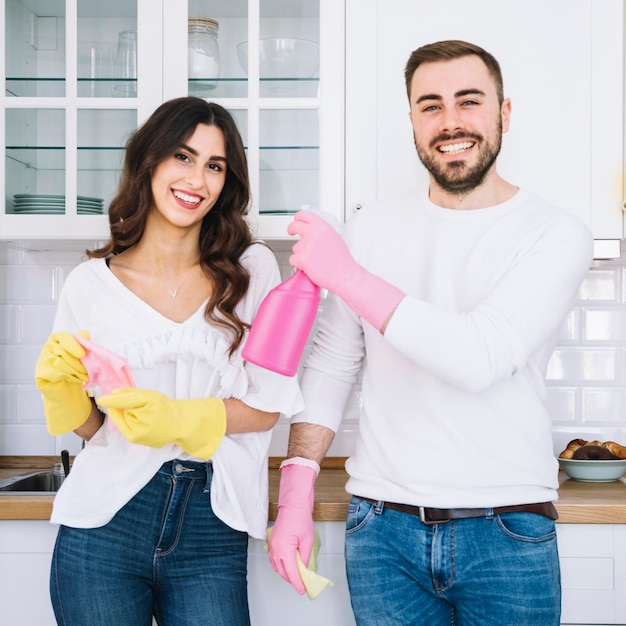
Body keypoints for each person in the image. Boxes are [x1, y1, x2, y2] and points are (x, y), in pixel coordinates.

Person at [268, 40, 594, 625]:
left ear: (504, 113)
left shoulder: (554, 233)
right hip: (382, 533)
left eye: (469, 101)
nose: (450, 122)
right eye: (430, 105)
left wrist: (346, 274)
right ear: (413, 121)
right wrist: (296, 484)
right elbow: (333, 363)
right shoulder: (370, 230)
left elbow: (479, 354)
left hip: (508, 531)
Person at [35, 96, 303, 626]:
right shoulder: (91, 285)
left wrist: (184, 418)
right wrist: (61, 395)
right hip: (104, 523)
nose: (196, 179)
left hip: (213, 521)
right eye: (182, 157)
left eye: (214, 165)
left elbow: (269, 405)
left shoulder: (252, 272)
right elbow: (95, 428)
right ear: (150, 162)